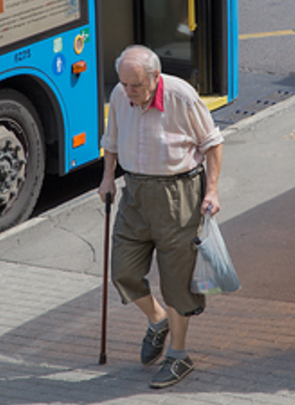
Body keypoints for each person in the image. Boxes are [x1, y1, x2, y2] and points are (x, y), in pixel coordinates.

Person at [98, 45, 223, 388]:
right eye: (124, 84)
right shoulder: (121, 93)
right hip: (135, 193)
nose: (128, 92)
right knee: (122, 271)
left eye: (136, 85)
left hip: (178, 195)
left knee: (177, 281)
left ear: (155, 77)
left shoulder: (181, 95)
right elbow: (112, 140)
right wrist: (108, 177)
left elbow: (212, 143)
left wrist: (211, 190)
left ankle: (179, 356)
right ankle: (157, 319)